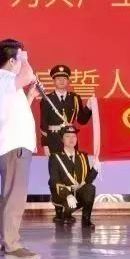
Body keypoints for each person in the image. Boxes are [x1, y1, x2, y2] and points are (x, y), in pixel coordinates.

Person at [0, 38, 40, 259]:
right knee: (15, 198)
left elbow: (15, 114)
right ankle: (12, 245)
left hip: (14, 146)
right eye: (19, 58)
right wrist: (24, 57)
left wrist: (29, 97)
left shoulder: (7, 84)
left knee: (11, 196)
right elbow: (28, 75)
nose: (22, 62)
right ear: (12, 61)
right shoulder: (6, 79)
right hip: (14, 148)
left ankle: (8, 242)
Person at [40, 64, 92, 221]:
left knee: (72, 172)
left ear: (68, 80)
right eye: (58, 78)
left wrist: (89, 108)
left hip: (70, 139)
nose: (61, 81)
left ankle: (69, 209)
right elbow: (43, 123)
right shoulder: (47, 99)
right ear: (54, 81)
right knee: (55, 176)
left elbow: (81, 120)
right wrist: (45, 144)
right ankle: (58, 209)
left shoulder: (74, 98)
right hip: (54, 139)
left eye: (64, 78)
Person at [49, 125, 98, 228]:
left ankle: (86, 221)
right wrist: (68, 195)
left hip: (77, 192)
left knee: (90, 189)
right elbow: (54, 181)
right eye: (67, 136)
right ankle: (63, 214)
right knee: (68, 209)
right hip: (63, 195)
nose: (71, 139)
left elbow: (87, 180)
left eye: (74, 136)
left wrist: (95, 170)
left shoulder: (82, 156)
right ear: (62, 139)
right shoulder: (55, 158)